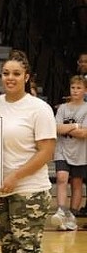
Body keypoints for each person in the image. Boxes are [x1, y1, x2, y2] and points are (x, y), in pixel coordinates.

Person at [0, 50, 56, 253]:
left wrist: (15, 176)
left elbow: (46, 152)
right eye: (6, 73)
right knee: (8, 247)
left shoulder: (39, 109)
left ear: (26, 77)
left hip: (29, 190)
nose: (10, 78)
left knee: (27, 247)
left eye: (16, 73)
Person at [50, 76, 87, 230]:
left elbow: (84, 134)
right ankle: (61, 211)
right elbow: (55, 128)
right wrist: (76, 126)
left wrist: (68, 128)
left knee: (77, 183)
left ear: (85, 90)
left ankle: (72, 215)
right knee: (61, 178)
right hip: (62, 150)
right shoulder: (63, 108)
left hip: (80, 152)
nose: (75, 91)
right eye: (73, 88)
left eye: (79, 88)